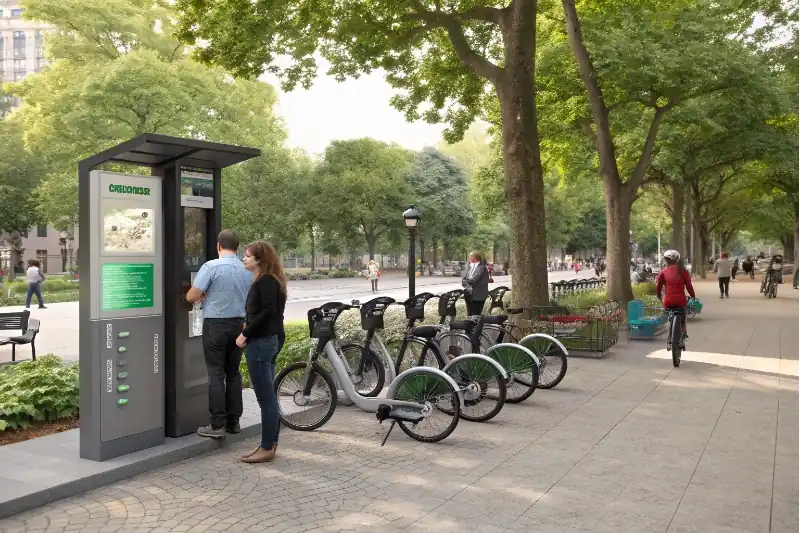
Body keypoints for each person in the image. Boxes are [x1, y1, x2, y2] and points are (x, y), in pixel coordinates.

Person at [186, 230, 253, 439]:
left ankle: (217, 425)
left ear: (218, 246)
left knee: (216, 374)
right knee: (233, 372)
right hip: (239, 325)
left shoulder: (211, 267)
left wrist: (203, 294)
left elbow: (191, 296)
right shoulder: (246, 269)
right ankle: (234, 422)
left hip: (215, 325)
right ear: (237, 246)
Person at [236, 241, 287, 464]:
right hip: (269, 340)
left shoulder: (265, 281)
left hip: (261, 343)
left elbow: (268, 313)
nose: (244, 259)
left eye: (248, 256)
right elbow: (273, 315)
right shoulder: (271, 280)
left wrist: (245, 333)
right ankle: (269, 444)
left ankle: (266, 447)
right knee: (269, 396)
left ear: (260, 259)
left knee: (265, 398)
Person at [656, 250, 696, 343]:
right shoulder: (683, 272)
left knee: (669, 312)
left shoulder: (663, 272)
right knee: (683, 314)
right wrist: (693, 296)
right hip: (681, 300)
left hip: (668, 300)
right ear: (677, 260)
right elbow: (689, 286)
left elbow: (658, 287)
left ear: (666, 261)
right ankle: (684, 332)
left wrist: (658, 295)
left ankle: (671, 323)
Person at [462, 251, 489, 316]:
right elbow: (464, 279)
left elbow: (475, 279)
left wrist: (466, 282)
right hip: (468, 293)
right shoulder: (469, 266)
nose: (469, 258)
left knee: (476, 314)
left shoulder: (482, 267)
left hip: (478, 295)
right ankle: (470, 325)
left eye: (470, 256)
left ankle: (476, 325)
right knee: (469, 313)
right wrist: (466, 283)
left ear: (475, 258)